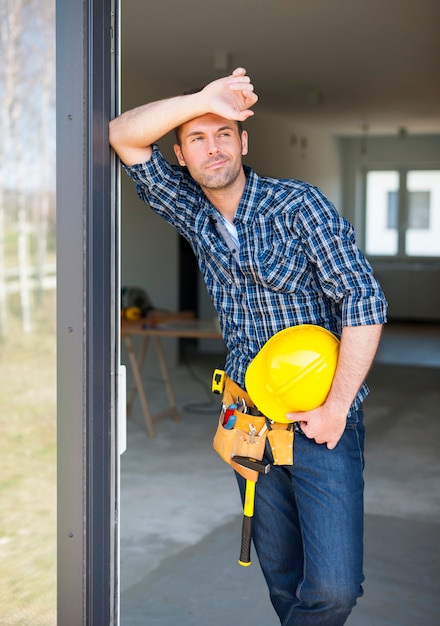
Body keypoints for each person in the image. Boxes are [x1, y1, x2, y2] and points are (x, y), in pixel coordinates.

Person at [109, 67, 388, 626]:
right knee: (283, 582)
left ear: (243, 141)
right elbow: (122, 134)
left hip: (318, 423)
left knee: (332, 589)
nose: (212, 147)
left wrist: (336, 409)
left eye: (223, 133)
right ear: (182, 156)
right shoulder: (192, 212)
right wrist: (202, 99)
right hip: (249, 425)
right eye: (196, 137)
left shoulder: (298, 205)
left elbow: (364, 301)